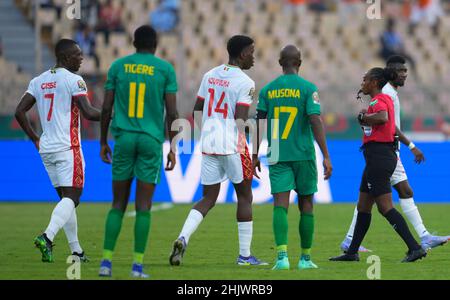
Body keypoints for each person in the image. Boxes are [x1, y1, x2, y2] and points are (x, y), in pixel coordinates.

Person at [169, 35, 267, 267]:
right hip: (232, 144)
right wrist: (252, 151)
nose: (254, 56)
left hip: (209, 143)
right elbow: (240, 120)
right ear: (242, 54)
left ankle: (183, 237)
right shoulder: (246, 82)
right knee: (244, 196)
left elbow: (197, 110)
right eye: (252, 51)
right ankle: (244, 256)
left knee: (208, 197)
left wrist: (209, 133)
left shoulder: (209, 75)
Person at [340, 55, 449, 253]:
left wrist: (366, 118)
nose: (404, 75)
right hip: (386, 150)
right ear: (389, 72)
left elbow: (386, 122)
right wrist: (411, 145)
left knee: (383, 197)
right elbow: (390, 124)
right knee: (377, 200)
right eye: (400, 71)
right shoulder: (386, 93)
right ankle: (419, 241)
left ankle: (420, 239)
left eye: (406, 71)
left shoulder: (386, 95)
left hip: (384, 151)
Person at [98, 25, 179, 278]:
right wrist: (173, 147)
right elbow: (173, 113)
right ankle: (137, 266)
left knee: (117, 204)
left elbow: (106, 107)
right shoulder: (165, 69)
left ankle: (106, 263)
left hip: (123, 139)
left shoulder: (118, 67)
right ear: (156, 45)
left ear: (133, 43)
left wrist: (103, 141)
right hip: (150, 141)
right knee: (143, 206)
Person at [15, 39, 100, 263]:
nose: (81, 58)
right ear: (65, 57)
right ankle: (47, 237)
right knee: (73, 197)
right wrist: (114, 113)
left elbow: (19, 111)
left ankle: (77, 251)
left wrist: (35, 138)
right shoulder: (74, 80)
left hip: (47, 149)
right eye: (77, 54)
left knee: (66, 200)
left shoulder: (38, 80)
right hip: (68, 147)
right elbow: (89, 113)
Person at [330, 68, 427, 263]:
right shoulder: (381, 100)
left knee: (385, 207)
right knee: (363, 206)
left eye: (365, 79)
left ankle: (415, 247)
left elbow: (382, 118)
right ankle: (352, 252)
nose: (362, 83)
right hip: (378, 158)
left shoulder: (379, 101)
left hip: (379, 158)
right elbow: (388, 124)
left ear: (374, 82)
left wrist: (364, 118)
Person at [253, 45, 332, 270]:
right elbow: (315, 120)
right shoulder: (308, 88)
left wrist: (254, 153)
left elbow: (259, 122)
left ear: (280, 63)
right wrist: (326, 155)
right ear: (300, 63)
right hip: (304, 154)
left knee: (280, 205)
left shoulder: (268, 90)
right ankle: (305, 259)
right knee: (306, 204)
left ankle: (282, 258)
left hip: (277, 153)